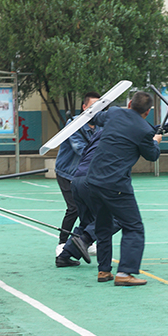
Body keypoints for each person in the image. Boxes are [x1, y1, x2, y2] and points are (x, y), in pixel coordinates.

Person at [86, 92, 163, 286]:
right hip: (116, 184)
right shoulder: (144, 129)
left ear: (129, 103)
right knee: (134, 227)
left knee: (103, 226)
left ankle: (103, 271)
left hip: (94, 179)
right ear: (147, 112)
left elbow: (95, 117)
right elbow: (152, 155)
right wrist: (156, 141)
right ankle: (125, 273)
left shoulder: (114, 113)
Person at [54, 92, 102, 258]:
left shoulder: (101, 126)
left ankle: (85, 241)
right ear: (84, 107)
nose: (95, 110)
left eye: (99, 107)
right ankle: (62, 243)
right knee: (73, 208)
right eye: (92, 106)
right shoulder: (73, 124)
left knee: (88, 209)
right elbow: (80, 149)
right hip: (67, 172)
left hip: (85, 175)